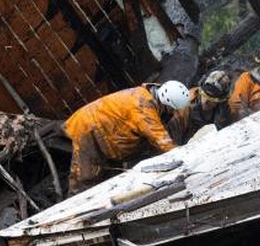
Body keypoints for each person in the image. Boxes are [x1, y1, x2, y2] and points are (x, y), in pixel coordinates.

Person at [63, 80, 191, 194]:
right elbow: (160, 139)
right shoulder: (143, 106)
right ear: (166, 103)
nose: (173, 113)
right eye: (172, 110)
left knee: (103, 174)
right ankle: (71, 211)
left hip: (101, 128)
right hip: (88, 127)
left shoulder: (146, 95)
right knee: (85, 177)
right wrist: (182, 155)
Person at [167, 70, 234, 145]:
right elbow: (172, 139)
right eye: (204, 95)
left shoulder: (225, 110)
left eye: (211, 100)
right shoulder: (184, 106)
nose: (205, 101)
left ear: (221, 100)